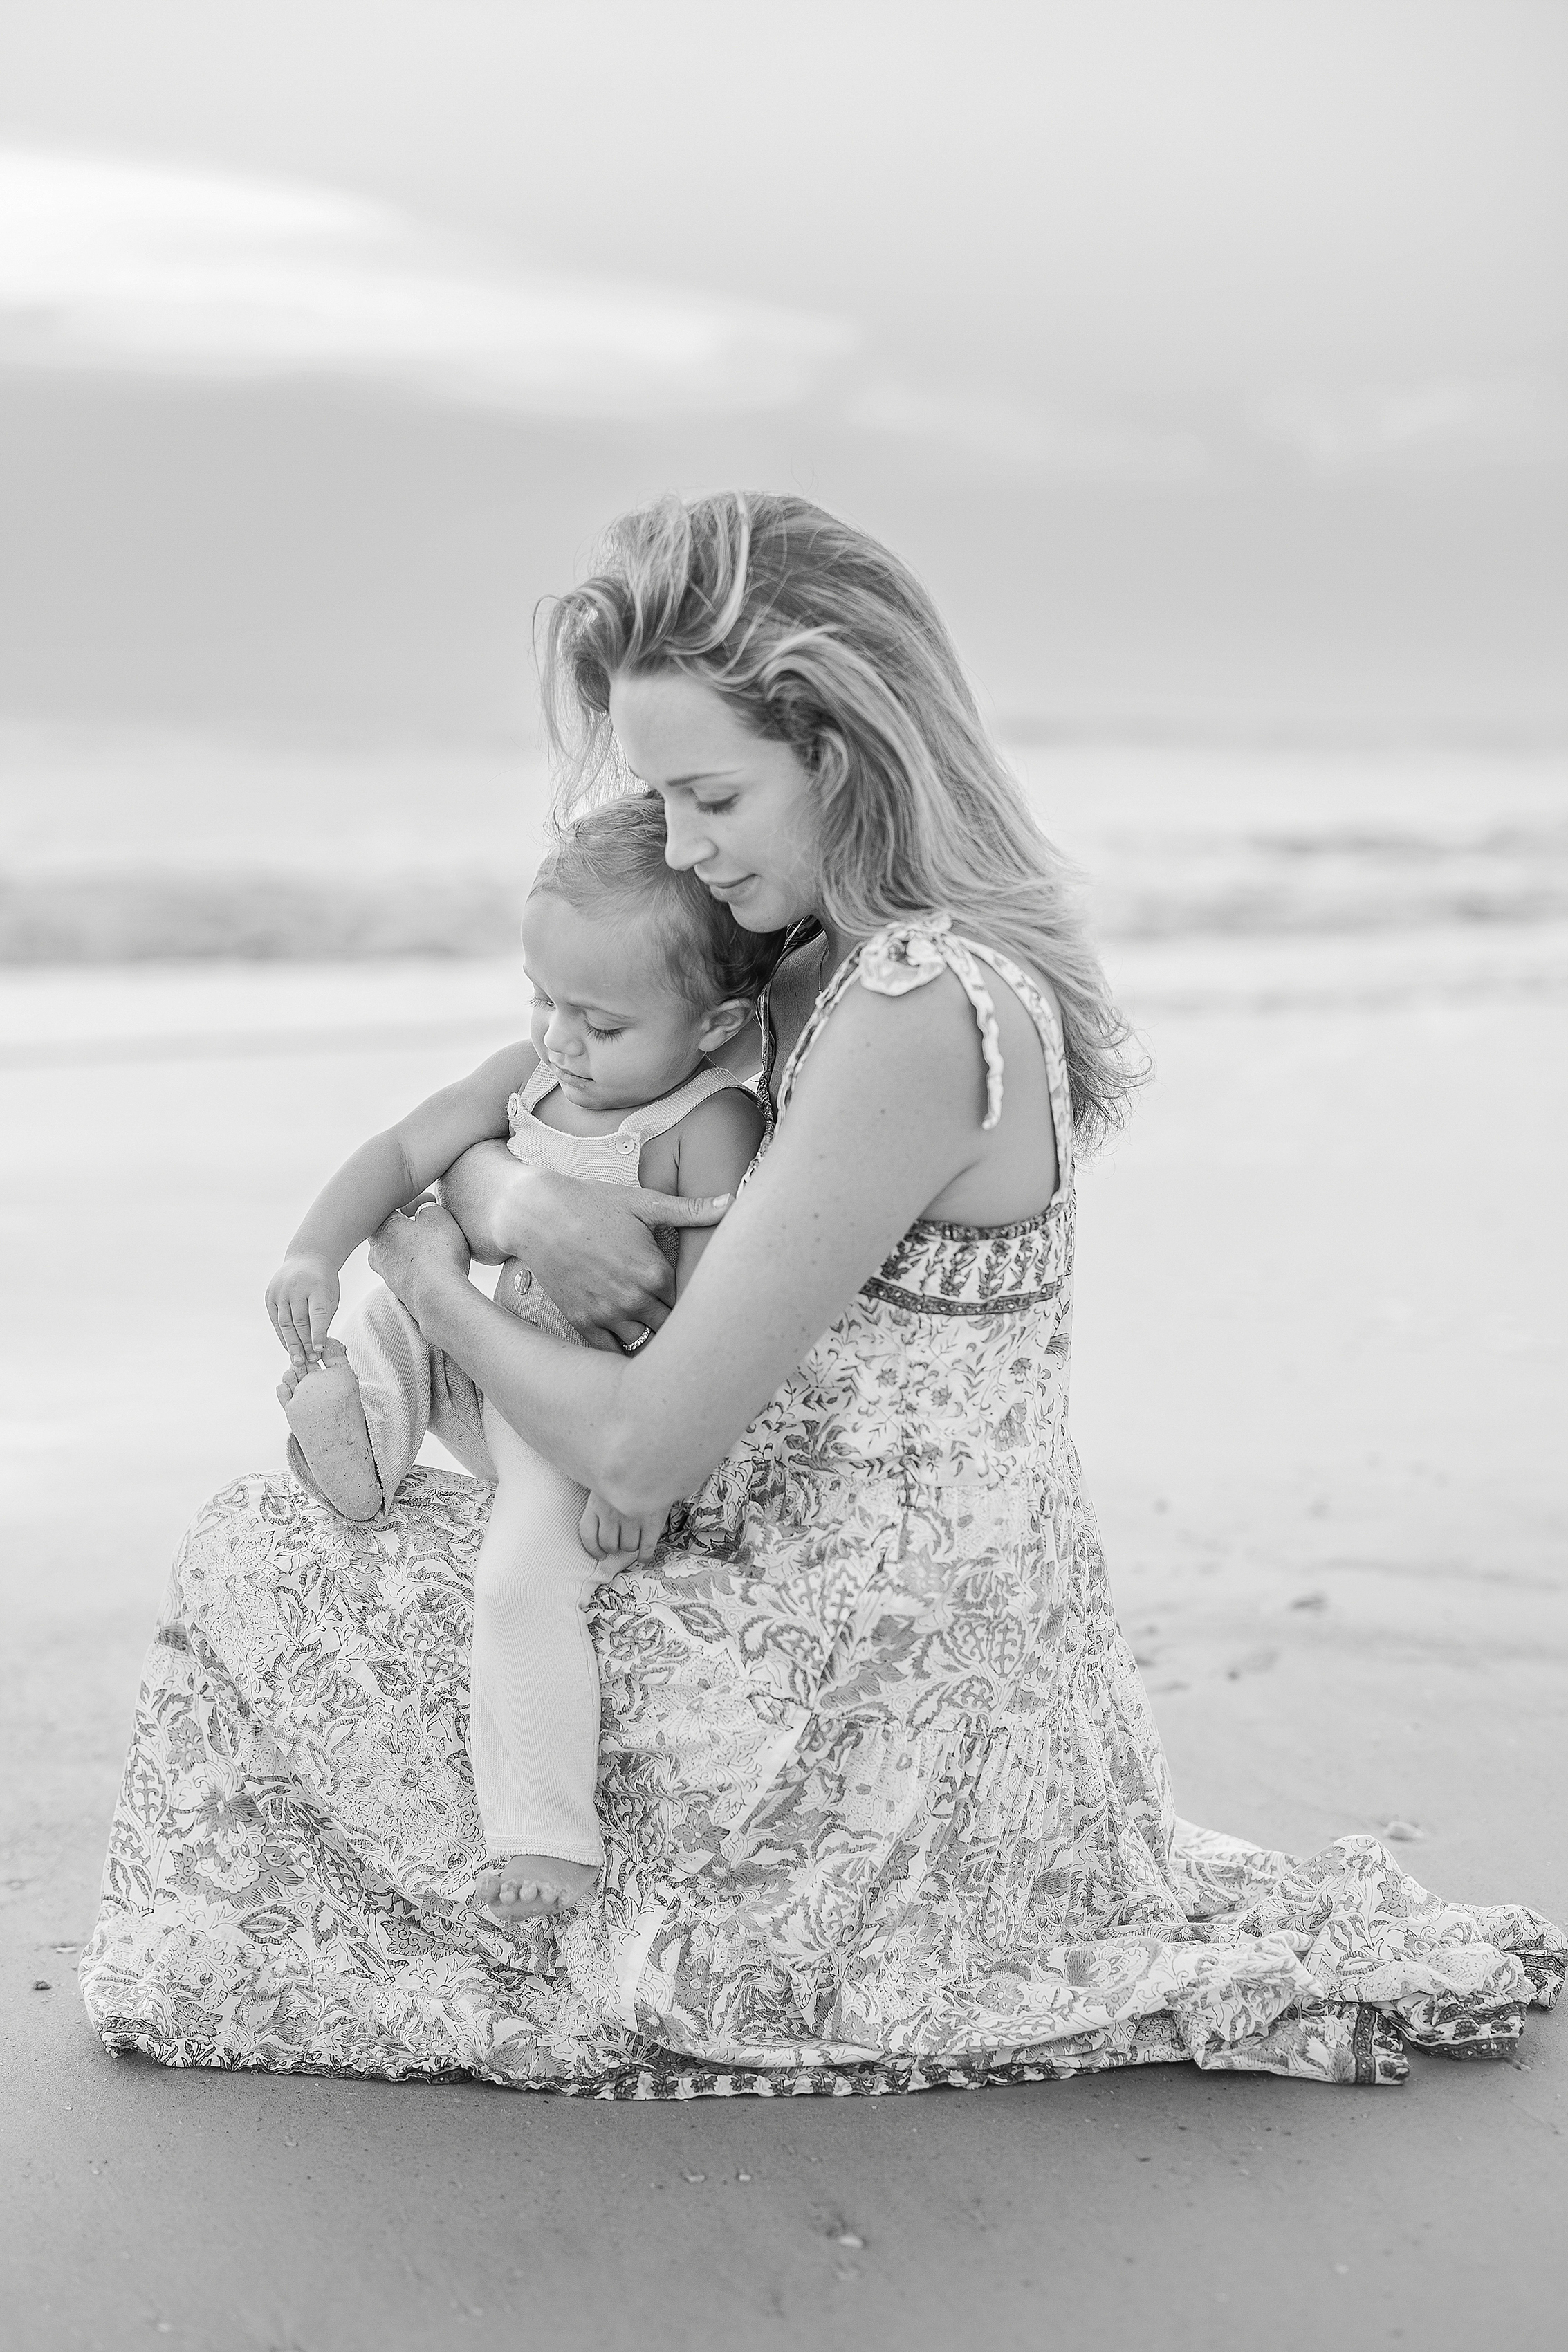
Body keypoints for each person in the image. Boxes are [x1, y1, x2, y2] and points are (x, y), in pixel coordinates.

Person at [81, 492, 1562, 2095]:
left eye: (712, 795)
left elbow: (645, 1445)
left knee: (267, 1559)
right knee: (324, 1551)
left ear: (845, 750)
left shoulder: (918, 1002)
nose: (685, 849)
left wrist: (434, 1270)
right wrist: (505, 1196)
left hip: (870, 1694)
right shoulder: (793, 965)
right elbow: (560, 1142)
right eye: (657, 800)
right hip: (789, 1579)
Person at [264, 798, 775, 1923]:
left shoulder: (710, 1126)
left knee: (521, 1583)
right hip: (482, 1359)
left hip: (570, 1417)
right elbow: (406, 1148)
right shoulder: (526, 1076)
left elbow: (707, 1333)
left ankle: (546, 1838)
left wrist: (649, 1480)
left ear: (716, 1022)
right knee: (397, 1297)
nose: (559, 1040)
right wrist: (314, 1246)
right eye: (542, 999)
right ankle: (361, 1447)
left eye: (598, 1023)